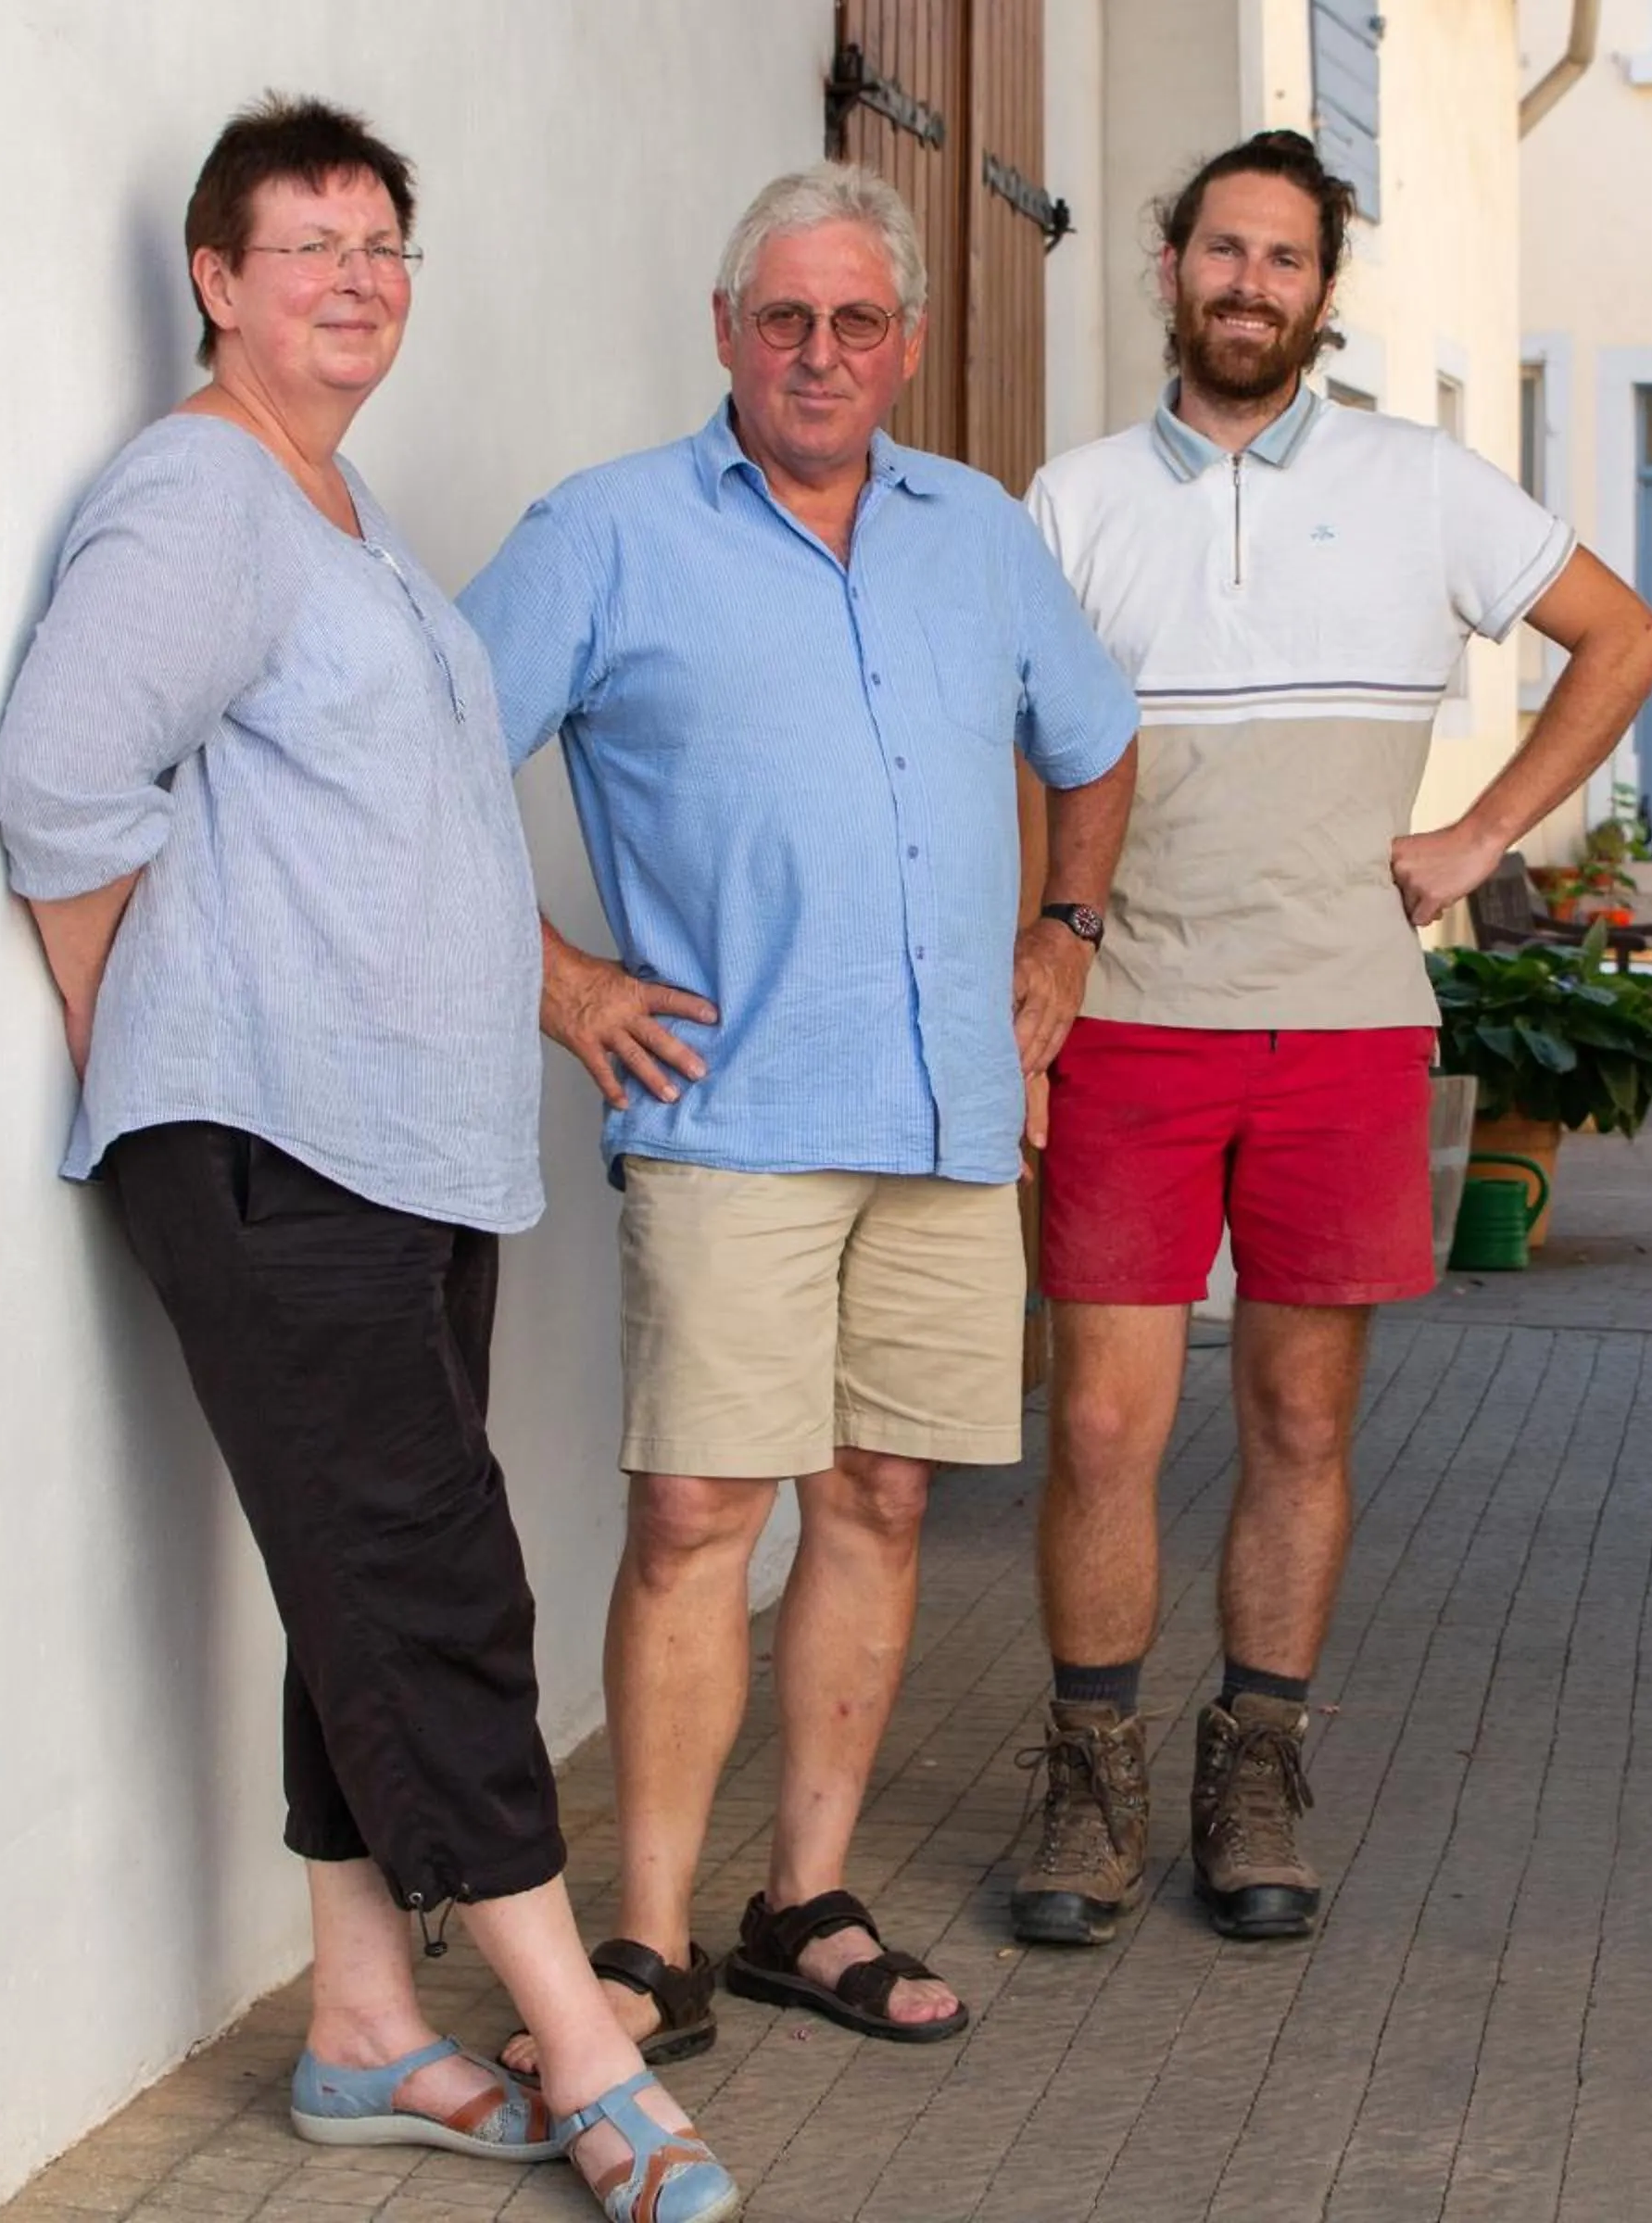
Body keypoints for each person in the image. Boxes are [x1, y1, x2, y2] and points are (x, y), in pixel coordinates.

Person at [0, 97, 740, 2223]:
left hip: (410, 1142)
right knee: (439, 1586)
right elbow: (61, 780)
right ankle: (581, 2042)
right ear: (218, 282)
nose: (355, 279)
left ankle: (357, 2031)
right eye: (308, 245)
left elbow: (391, 826)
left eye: (384, 247)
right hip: (267, 1138)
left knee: (366, 1579)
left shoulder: (346, 513)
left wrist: (546, 985)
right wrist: (132, 1017)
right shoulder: (199, 495)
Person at [460, 162, 1137, 2056]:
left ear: (905, 343)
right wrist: (566, 983)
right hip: (731, 1112)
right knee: (694, 1515)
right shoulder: (603, 535)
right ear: (727, 334)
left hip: (939, 1118)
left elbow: (1095, 743)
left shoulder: (980, 536)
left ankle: (803, 1903)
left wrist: (1065, 935)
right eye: (785, 319)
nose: (820, 353)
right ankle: (649, 1941)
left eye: (856, 321)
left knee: (884, 1497)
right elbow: (411, 757)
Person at [1013, 130, 1652, 1947]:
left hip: (1344, 1032)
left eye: (1285, 258)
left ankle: (1254, 1772)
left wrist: (1479, 842)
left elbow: (1622, 638)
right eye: (1220, 249)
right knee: (1099, 1432)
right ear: (1171, 271)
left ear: (1323, 290)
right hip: (1133, 1024)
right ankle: (1086, 1785)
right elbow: (1008, 753)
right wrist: (1034, 965)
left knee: (1302, 1421)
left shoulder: (1421, 484)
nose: (1249, 283)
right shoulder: (1067, 506)